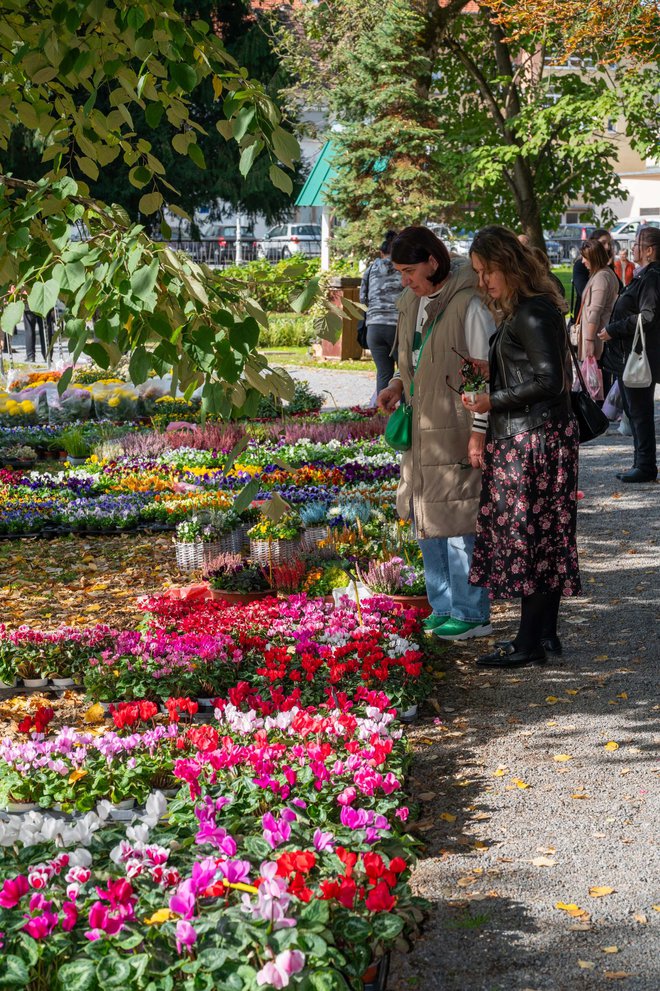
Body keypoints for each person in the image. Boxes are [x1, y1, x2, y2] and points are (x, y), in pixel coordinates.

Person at [462, 225, 581, 668]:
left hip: (530, 439)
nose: (483, 282)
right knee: (545, 536)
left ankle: (528, 642)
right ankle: (544, 634)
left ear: (507, 265)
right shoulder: (529, 309)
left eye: (486, 271)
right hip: (534, 436)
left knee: (530, 537)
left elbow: (549, 382)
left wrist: (491, 400)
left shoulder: (531, 312)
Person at [377, 226, 496, 642]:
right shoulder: (411, 301)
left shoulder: (469, 304)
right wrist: (394, 385)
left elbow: (485, 372)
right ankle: (443, 605)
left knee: (462, 522)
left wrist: (478, 432)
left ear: (433, 260)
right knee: (426, 522)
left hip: (458, 430)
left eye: (409, 270)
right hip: (422, 433)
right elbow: (407, 360)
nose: (404, 279)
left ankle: (472, 612)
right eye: (399, 272)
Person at [598, 226, 660, 483]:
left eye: (636, 244)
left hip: (636, 356)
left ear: (649, 250)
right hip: (627, 355)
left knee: (639, 410)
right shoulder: (644, 275)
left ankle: (645, 465)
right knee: (635, 411)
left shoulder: (653, 277)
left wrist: (614, 329)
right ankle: (641, 462)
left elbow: (649, 316)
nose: (631, 248)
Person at [359, 232, 402, 395]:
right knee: (404, 374)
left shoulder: (370, 269)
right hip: (397, 328)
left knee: (384, 374)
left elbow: (363, 298)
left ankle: (383, 415)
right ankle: (405, 417)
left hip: (374, 328)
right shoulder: (403, 268)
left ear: (381, 253)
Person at [576, 239, 619, 370]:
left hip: (597, 343)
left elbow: (595, 311)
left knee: (596, 386)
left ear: (594, 258)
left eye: (585, 258)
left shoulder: (601, 277)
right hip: (599, 339)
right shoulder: (602, 274)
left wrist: (589, 341)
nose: (583, 261)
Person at [571, 227, 618, 324]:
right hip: (586, 319)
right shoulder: (581, 264)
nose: (607, 247)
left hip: (605, 319)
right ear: (592, 243)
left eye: (609, 243)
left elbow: (618, 288)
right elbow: (583, 292)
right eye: (603, 242)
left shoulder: (607, 267)